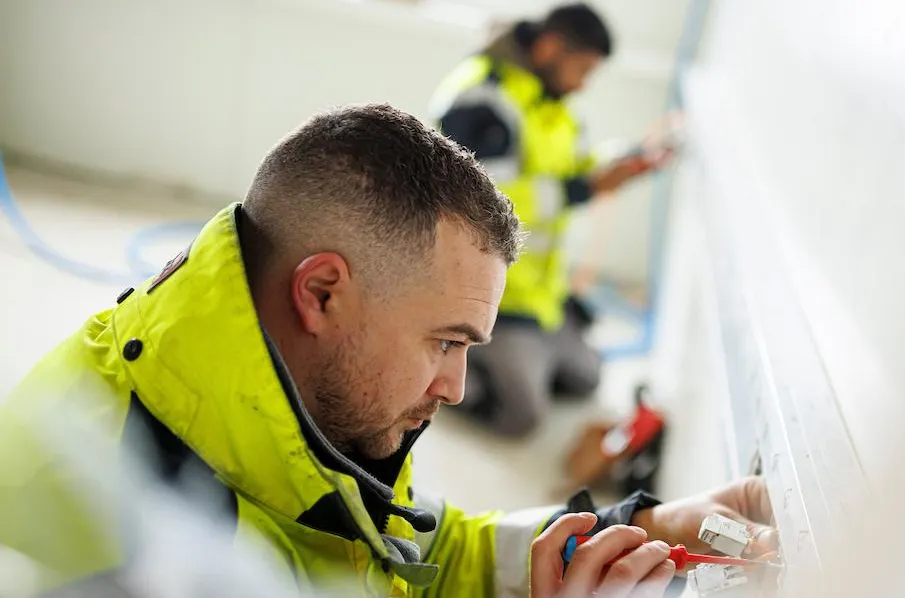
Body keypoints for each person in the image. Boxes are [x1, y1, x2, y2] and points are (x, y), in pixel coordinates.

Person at [0, 104, 773, 597]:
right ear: (322, 293)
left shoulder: (278, 409)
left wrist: (641, 526)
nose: (458, 388)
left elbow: (416, 549)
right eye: (446, 341)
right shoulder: (125, 529)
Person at [431, 3, 669, 437]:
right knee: (522, 417)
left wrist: (622, 163)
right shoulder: (483, 94)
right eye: (582, 68)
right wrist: (583, 189)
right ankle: (444, 358)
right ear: (550, 47)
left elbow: (570, 169)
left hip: (538, 297)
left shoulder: (554, 105)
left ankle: (521, 358)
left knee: (586, 378)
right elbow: (481, 198)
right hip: (487, 297)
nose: (583, 85)